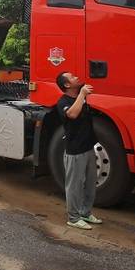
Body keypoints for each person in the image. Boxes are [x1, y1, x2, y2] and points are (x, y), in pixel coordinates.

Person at [55, 71, 103, 230]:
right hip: (75, 151)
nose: (77, 77)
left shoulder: (79, 98)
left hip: (88, 148)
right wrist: (82, 95)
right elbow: (72, 114)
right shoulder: (63, 101)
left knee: (90, 183)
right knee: (74, 185)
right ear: (67, 85)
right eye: (72, 77)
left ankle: (85, 212)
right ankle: (73, 218)